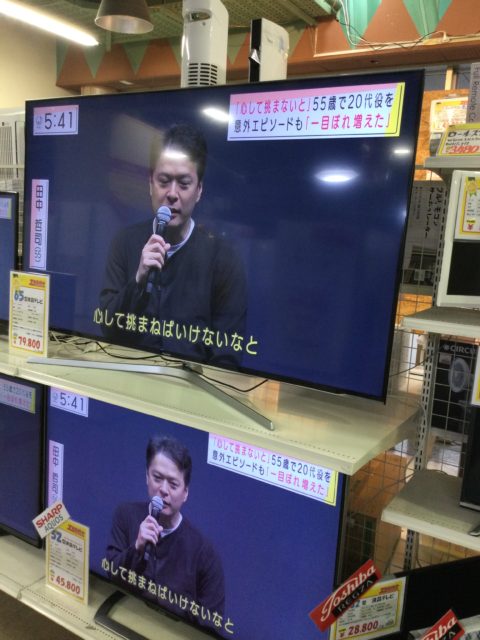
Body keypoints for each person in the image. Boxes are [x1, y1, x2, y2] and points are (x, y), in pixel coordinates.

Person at [99, 123, 247, 366]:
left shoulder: (223, 259)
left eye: (184, 184)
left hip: (193, 386)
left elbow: (228, 354)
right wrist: (138, 281)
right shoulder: (124, 243)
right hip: (127, 380)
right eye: (164, 181)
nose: (172, 194)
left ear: (199, 190)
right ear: (150, 183)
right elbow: (107, 329)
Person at [106, 435, 225, 629]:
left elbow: (212, 623)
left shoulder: (204, 553)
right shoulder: (125, 515)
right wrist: (137, 548)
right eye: (157, 478)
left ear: (185, 492)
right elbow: (109, 574)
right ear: (147, 477)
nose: (163, 490)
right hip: (125, 619)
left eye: (173, 484)